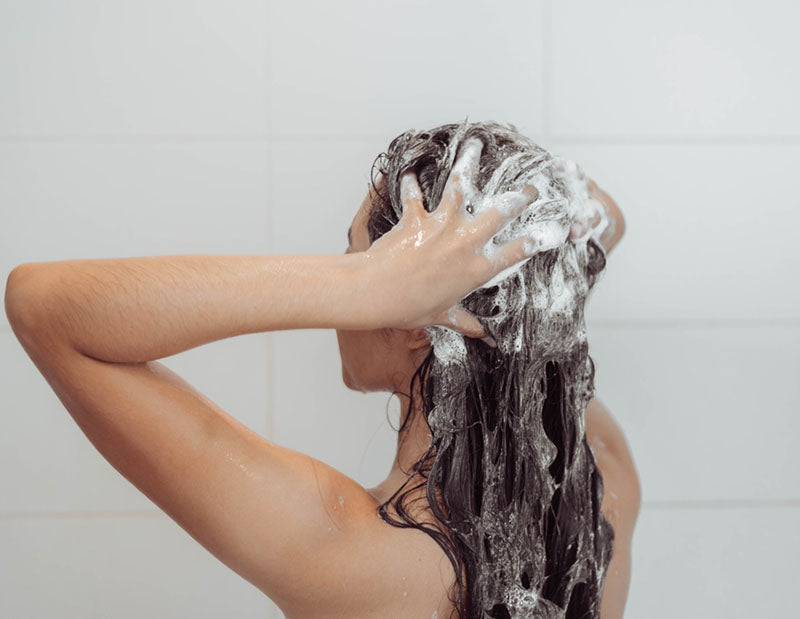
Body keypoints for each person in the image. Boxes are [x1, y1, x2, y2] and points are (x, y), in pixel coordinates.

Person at [4, 120, 638, 618]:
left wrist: (360, 287)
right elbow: (601, 219)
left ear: (412, 316)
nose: (352, 280)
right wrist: (532, 269)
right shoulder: (602, 492)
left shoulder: (352, 554)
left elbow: (42, 307)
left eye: (354, 257)